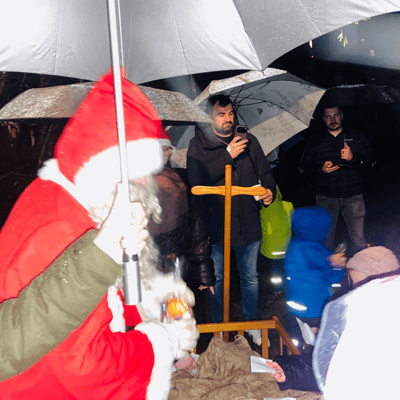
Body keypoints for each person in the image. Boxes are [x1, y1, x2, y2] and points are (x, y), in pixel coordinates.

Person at [0, 71, 198, 400]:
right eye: (138, 176)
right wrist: (163, 342)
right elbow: (90, 367)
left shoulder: (69, 198)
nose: (146, 189)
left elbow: (95, 296)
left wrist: (152, 298)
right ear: (107, 169)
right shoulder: (62, 228)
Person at [0, 185, 148, 381]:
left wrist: (103, 251)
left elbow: (13, 336)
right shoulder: (60, 219)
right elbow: (81, 361)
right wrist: (154, 346)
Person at [186, 94, 276, 345]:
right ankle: (218, 330)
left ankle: (252, 326)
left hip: (248, 223)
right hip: (216, 227)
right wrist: (226, 155)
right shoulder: (198, 145)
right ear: (209, 117)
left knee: (250, 279)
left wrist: (269, 192)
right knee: (217, 280)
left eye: (230, 114)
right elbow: (196, 183)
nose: (228, 119)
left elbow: (266, 174)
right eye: (221, 114)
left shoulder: (249, 141)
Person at [266, 245, 400, 395]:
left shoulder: (381, 328)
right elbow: (336, 370)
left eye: (360, 283)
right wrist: (288, 372)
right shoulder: (361, 314)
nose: (355, 289)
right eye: (353, 282)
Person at [148, 131, 215, 323]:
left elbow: (196, 227)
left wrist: (204, 273)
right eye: (159, 149)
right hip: (145, 262)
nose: (164, 154)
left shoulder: (181, 180)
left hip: (175, 261)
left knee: (176, 316)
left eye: (167, 149)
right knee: (150, 319)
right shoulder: (135, 181)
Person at [299, 104, 375, 254]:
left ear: (342, 116)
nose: (333, 120)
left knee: (359, 240)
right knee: (325, 240)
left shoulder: (356, 136)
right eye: (328, 117)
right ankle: (326, 267)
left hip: (354, 196)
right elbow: (302, 169)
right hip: (326, 198)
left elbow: (371, 163)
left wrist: (353, 158)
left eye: (336, 115)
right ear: (323, 119)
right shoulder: (315, 141)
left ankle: (361, 266)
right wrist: (320, 170)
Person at [285, 206, 346, 335]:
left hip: (294, 303)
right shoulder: (319, 252)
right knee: (317, 334)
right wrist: (338, 266)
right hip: (316, 306)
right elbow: (331, 278)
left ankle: (296, 344)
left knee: (298, 333)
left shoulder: (293, 245)